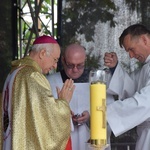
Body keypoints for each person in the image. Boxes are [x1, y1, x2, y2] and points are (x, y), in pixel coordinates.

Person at [1, 35, 75, 150]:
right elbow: (48, 118)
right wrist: (63, 103)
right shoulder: (32, 76)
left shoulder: (14, 72)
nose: (55, 66)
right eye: (55, 60)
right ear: (42, 53)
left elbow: (34, 112)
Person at [47, 43, 113, 150]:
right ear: (63, 60)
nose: (75, 69)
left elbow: (111, 112)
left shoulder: (98, 82)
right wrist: (66, 117)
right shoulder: (50, 82)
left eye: (80, 65)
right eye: (70, 65)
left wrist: (90, 117)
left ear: (85, 60)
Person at [104, 24, 150, 150]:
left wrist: (104, 113)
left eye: (131, 49)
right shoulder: (146, 67)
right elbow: (132, 86)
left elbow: (145, 102)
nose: (130, 56)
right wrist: (114, 68)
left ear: (144, 40)